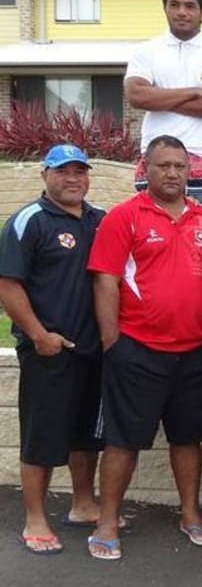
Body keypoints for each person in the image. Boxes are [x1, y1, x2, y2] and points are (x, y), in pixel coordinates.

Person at [86, 135, 202, 560]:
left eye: (179, 166)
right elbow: (105, 281)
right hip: (137, 350)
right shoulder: (123, 218)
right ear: (145, 169)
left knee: (188, 438)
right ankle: (107, 520)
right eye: (163, 165)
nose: (172, 173)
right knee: (123, 440)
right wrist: (113, 342)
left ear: (189, 172)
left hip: (198, 350)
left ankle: (190, 514)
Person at [0, 145, 107, 555]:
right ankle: (35, 518)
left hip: (92, 350)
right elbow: (8, 284)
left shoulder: (99, 219)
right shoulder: (30, 221)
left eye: (80, 171)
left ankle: (83, 504)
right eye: (63, 172)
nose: (73, 179)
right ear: (46, 174)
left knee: (86, 437)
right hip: (50, 350)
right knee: (42, 437)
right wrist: (40, 335)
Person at [124, 0, 202, 218]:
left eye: (190, 6)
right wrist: (195, 92)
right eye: (174, 5)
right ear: (165, 9)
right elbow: (136, 95)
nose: (182, 12)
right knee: (153, 239)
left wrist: (159, 96)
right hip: (156, 158)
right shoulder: (146, 51)